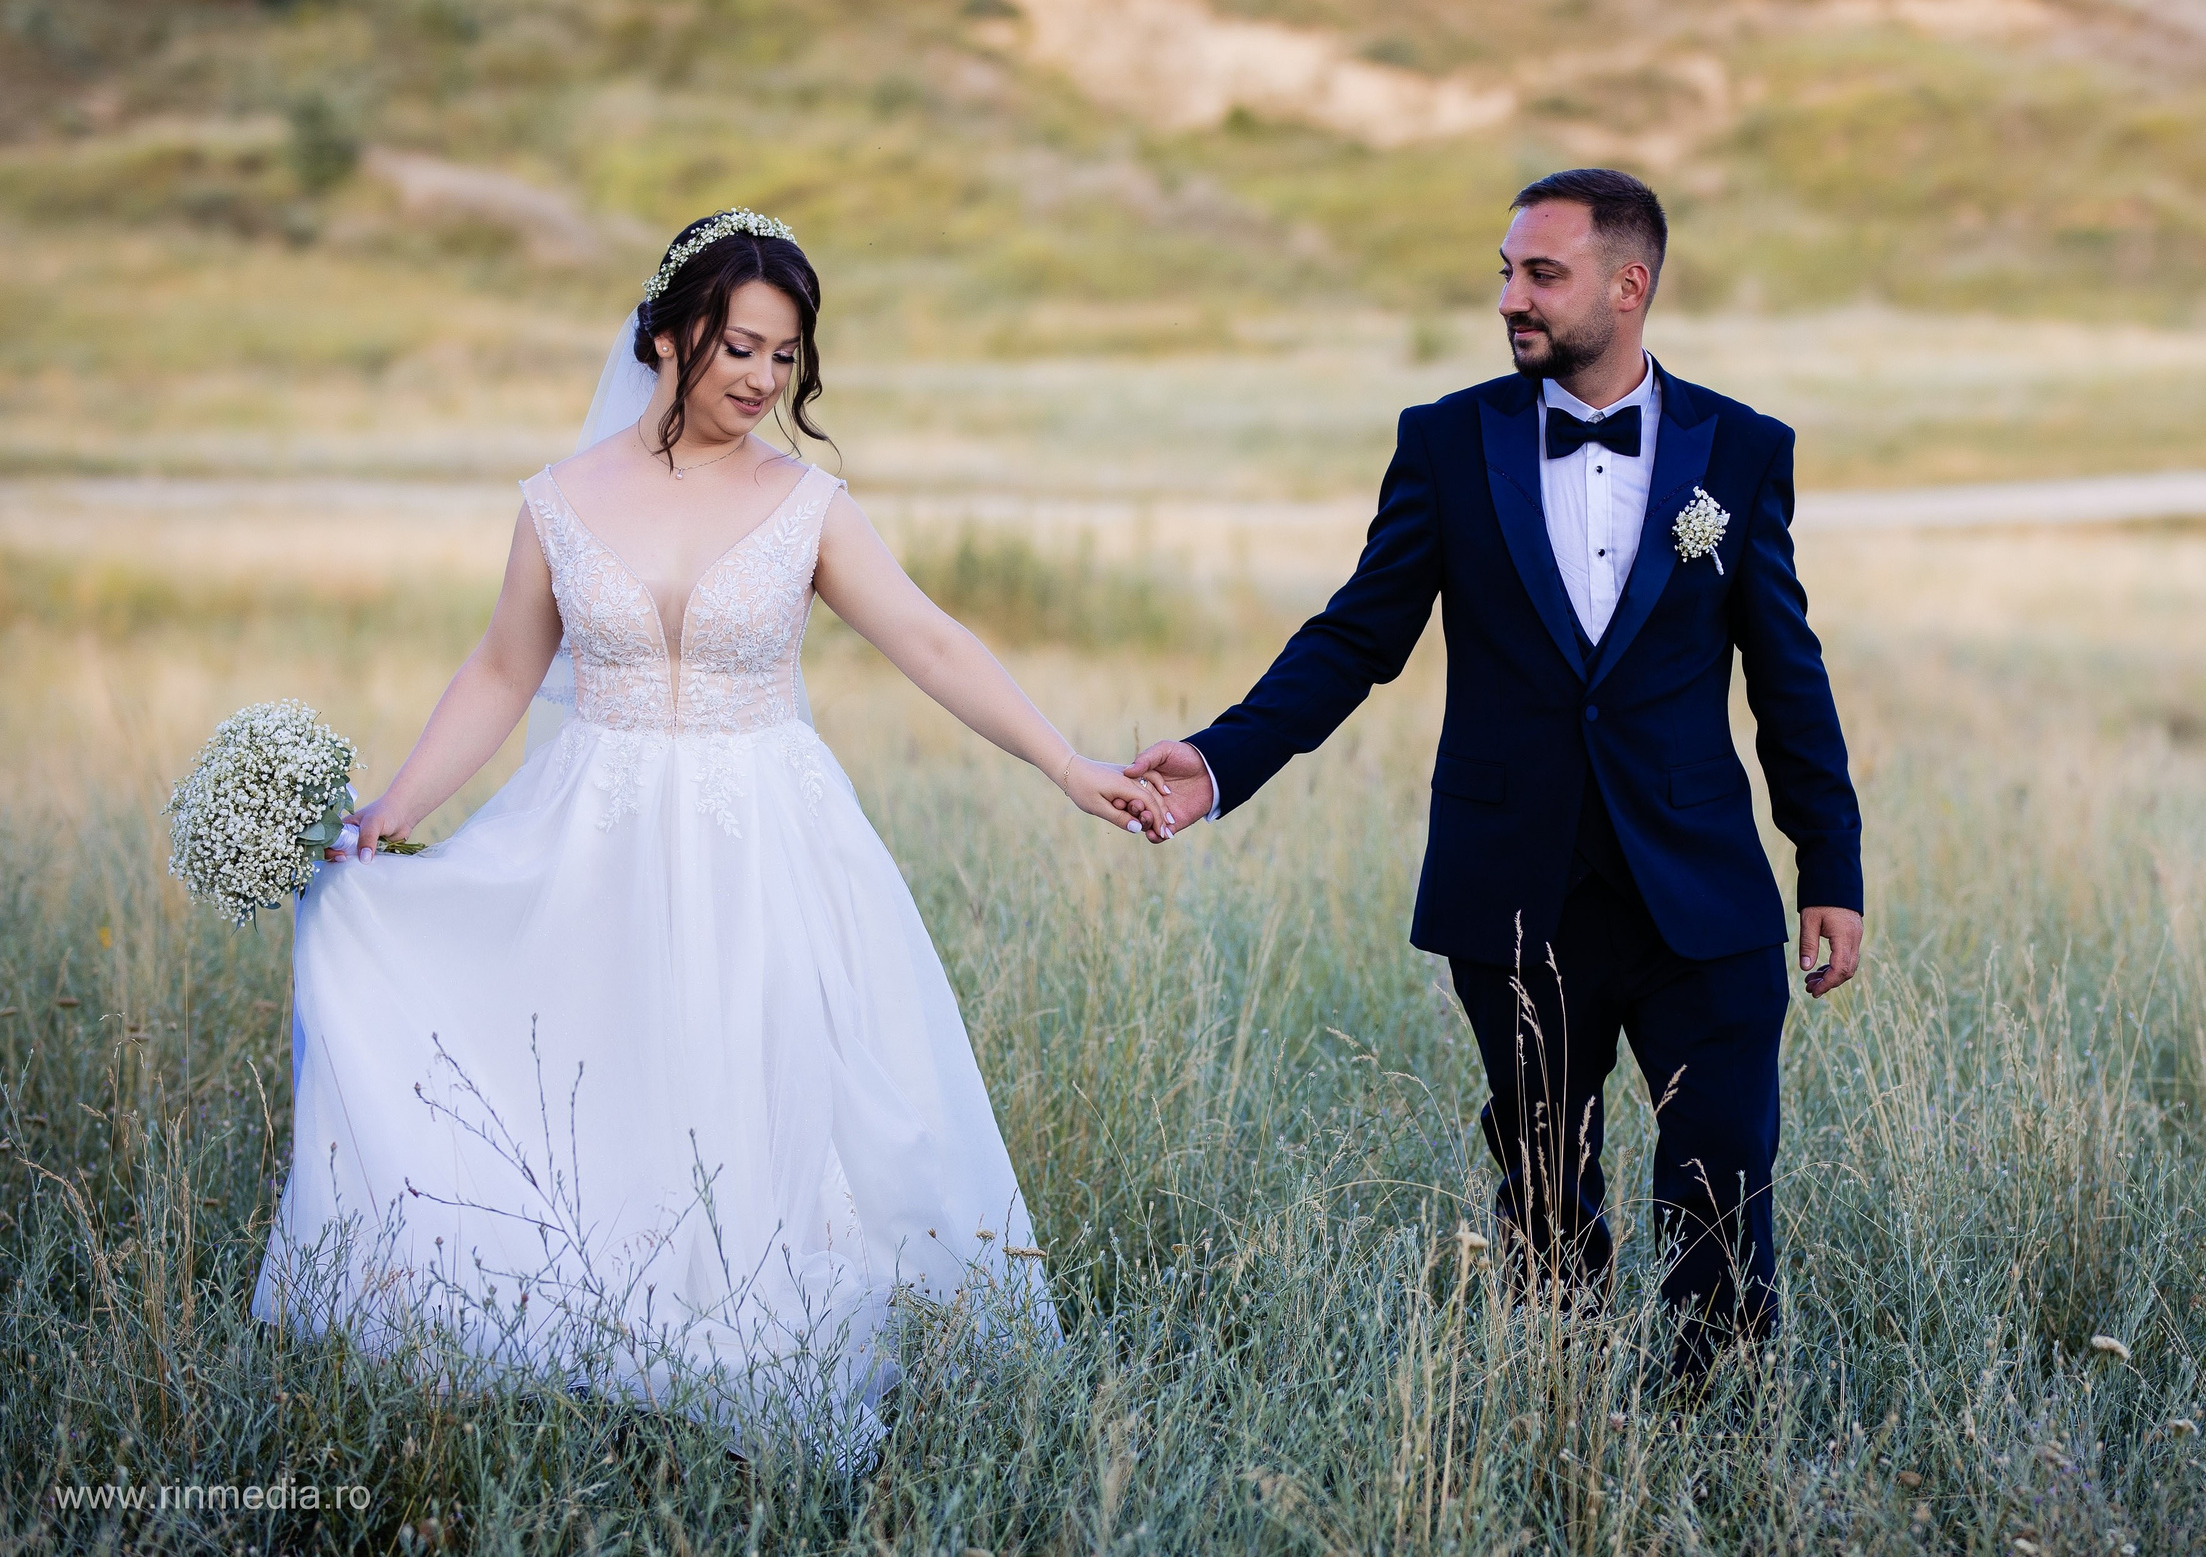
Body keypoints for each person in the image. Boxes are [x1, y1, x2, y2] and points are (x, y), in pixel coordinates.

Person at [255, 210, 1159, 1438]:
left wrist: (1065, 763)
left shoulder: (806, 504)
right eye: (740, 346)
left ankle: (773, 1342)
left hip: (768, 841)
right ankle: (616, 1331)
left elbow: (931, 641)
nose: (762, 380)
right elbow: (501, 673)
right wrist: (390, 816)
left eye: (785, 358)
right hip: (596, 841)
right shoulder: (560, 501)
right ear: (672, 335)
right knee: (601, 1076)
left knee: (769, 1076)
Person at [1124, 169, 1864, 1377]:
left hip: (1701, 892)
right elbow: (1357, 637)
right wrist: (1218, 762)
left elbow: (1788, 671)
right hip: (1516, 890)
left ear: (1628, 288)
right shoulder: (1447, 443)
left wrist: (1828, 863)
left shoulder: (1740, 450)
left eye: (1542, 274)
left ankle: (1716, 1447)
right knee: (1543, 1193)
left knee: (1722, 1193)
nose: (1511, 298)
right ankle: (1560, 1417)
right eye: (1505, 273)